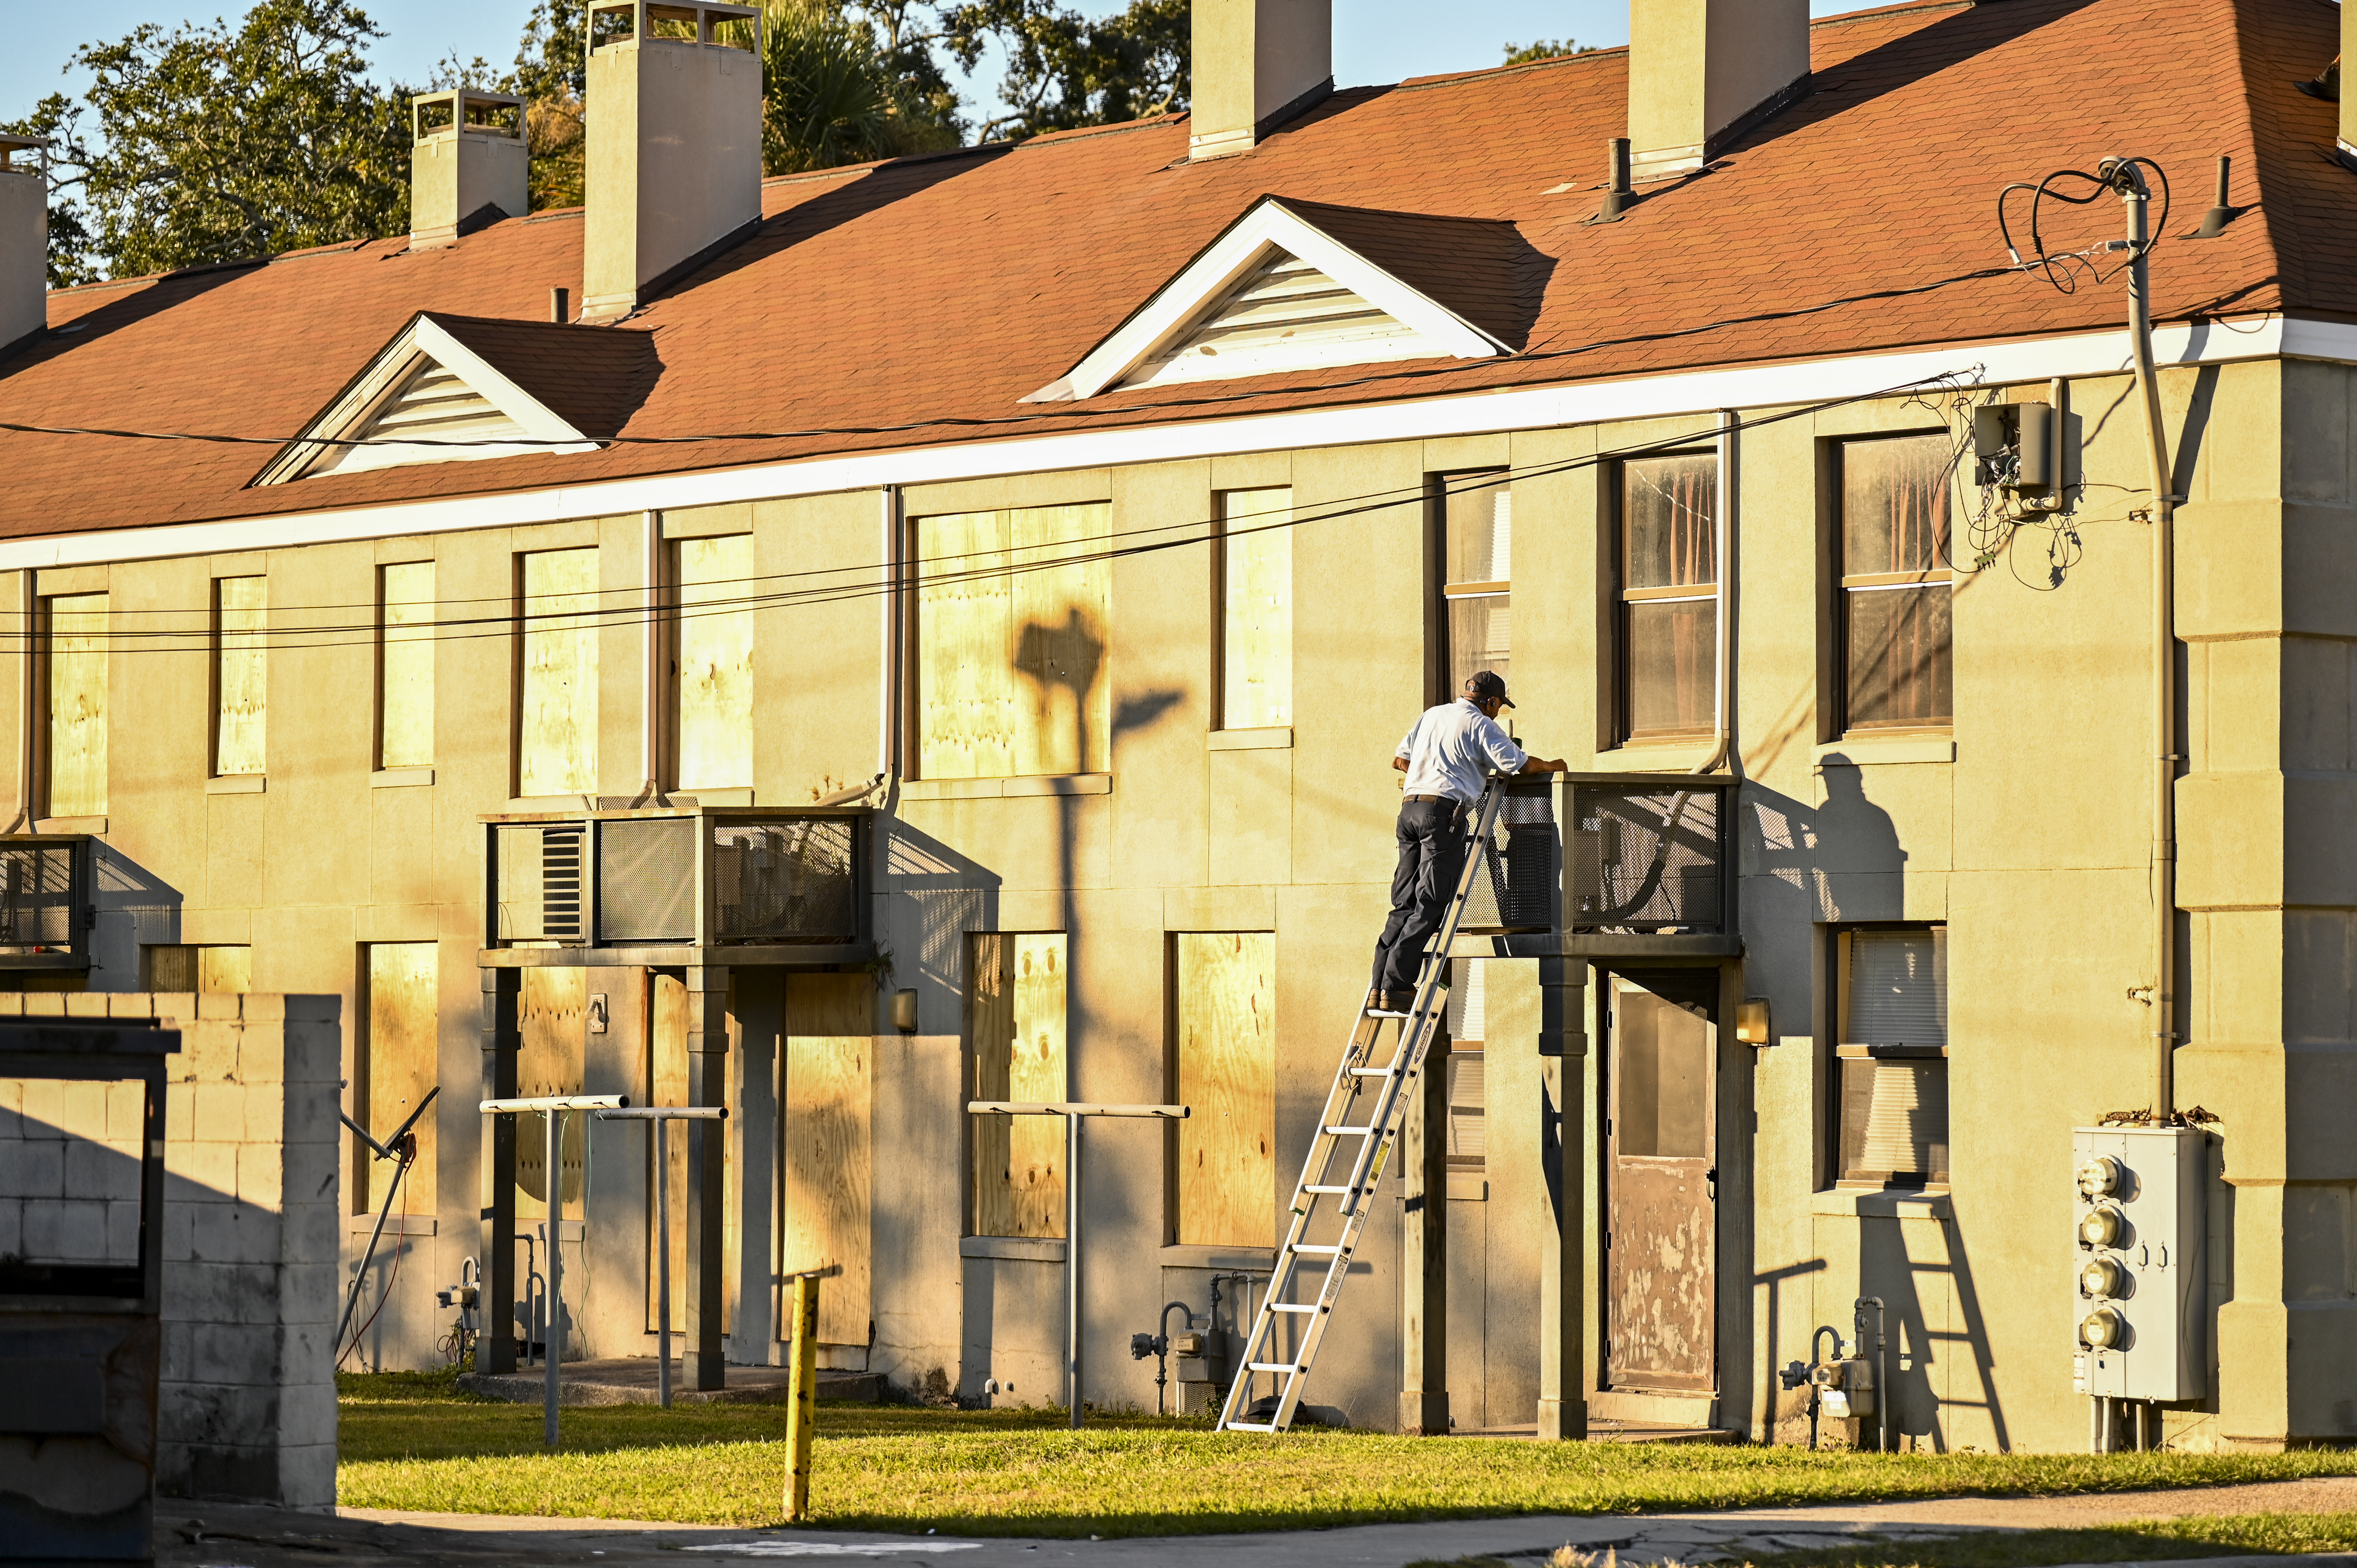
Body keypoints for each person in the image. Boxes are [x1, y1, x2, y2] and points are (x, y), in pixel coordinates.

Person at [1367, 671, 1566, 1017]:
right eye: (1498, 707)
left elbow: (1399, 760)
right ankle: (1397, 985)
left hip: (1409, 811)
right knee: (1430, 901)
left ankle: (1377, 987)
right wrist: (1554, 765)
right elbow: (1518, 764)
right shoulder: (1481, 725)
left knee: (1403, 901)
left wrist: (1435, 769)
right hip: (1441, 816)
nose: (1496, 713)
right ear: (1489, 701)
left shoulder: (1433, 714)